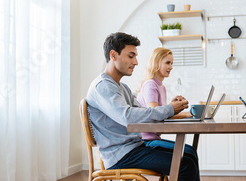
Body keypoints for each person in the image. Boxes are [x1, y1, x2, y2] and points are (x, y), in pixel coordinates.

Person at [85, 32, 200, 181]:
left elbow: (143, 112)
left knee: (189, 155)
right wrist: (170, 108)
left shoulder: (122, 87)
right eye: (131, 56)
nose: (136, 62)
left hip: (134, 147)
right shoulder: (103, 86)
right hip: (121, 155)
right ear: (113, 55)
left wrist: (171, 108)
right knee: (185, 164)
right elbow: (128, 117)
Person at [136, 47, 199, 166]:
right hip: (147, 141)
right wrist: (184, 113)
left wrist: (173, 107)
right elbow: (155, 113)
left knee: (191, 152)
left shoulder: (161, 86)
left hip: (154, 139)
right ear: (156, 63)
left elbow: (162, 114)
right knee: (188, 155)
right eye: (167, 63)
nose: (171, 67)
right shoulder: (150, 85)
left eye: (172, 63)